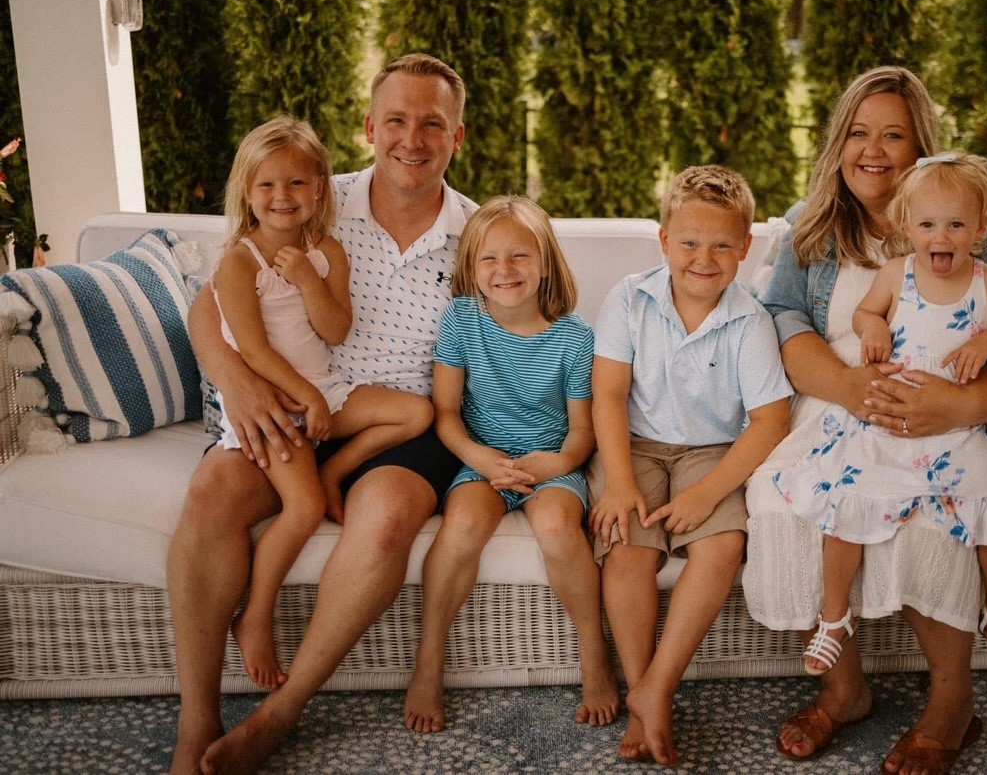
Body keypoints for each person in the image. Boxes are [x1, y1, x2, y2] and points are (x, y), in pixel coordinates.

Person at [741, 66, 987, 774]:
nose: (873, 150)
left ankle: (952, 703)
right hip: (841, 411)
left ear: (924, 146)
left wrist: (966, 403)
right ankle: (845, 690)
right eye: (858, 133)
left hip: (965, 419)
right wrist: (846, 386)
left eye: (893, 135)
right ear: (838, 143)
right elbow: (781, 318)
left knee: (934, 521)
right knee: (781, 502)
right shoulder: (815, 220)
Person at [167, 53, 477, 775]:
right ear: (369, 127)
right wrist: (235, 384)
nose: (412, 139)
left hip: (402, 418)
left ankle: (278, 714)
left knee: (388, 517)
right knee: (212, 490)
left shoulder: (475, 234)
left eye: (432, 124)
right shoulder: (310, 197)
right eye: (396, 120)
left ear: (457, 137)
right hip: (290, 398)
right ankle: (196, 719)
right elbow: (210, 305)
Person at [771, 151, 987, 683]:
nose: (941, 237)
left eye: (956, 225)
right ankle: (835, 617)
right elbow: (865, 311)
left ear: (980, 228)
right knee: (846, 506)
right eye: (927, 225)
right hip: (888, 422)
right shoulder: (897, 273)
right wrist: (873, 327)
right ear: (906, 226)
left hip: (959, 427)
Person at [212, 116, 433, 691]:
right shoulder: (240, 261)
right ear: (246, 191)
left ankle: (335, 467)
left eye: (296, 183)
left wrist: (310, 280)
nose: (282, 196)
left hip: (324, 389)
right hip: (273, 400)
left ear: (319, 188)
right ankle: (255, 616)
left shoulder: (327, 249)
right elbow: (252, 349)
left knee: (416, 413)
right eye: (267, 184)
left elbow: (336, 330)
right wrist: (305, 396)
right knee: (304, 508)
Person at [589, 165, 793, 768]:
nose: (704, 259)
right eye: (689, 243)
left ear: (745, 248)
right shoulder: (630, 298)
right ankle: (641, 691)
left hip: (712, 452)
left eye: (722, 245)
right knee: (626, 545)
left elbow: (770, 421)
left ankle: (659, 687)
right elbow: (609, 395)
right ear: (664, 240)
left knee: (722, 545)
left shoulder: (750, 321)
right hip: (636, 445)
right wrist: (619, 482)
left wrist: (707, 494)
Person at [403, 195, 619, 733]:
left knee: (557, 529)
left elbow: (583, 431)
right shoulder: (462, 320)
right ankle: (429, 661)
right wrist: (482, 459)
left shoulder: (575, 337)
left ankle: (594, 656)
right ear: (471, 267)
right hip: (482, 460)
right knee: (462, 526)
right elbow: (446, 413)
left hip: (551, 463)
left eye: (520, 255)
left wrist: (555, 464)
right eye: (489, 258)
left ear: (545, 261)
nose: (505, 269)